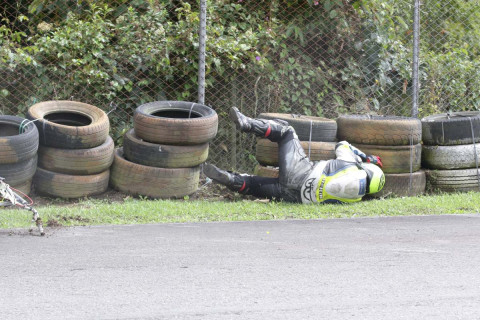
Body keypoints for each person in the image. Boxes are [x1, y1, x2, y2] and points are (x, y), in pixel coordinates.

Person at [203, 108, 385, 204]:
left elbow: (342, 144)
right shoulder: (355, 199)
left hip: (302, 173)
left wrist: (366, 157)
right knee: (252, 184)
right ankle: (227, 178)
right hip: (295, 197)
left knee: (286, 131)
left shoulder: (352, 164)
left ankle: (248, 124)